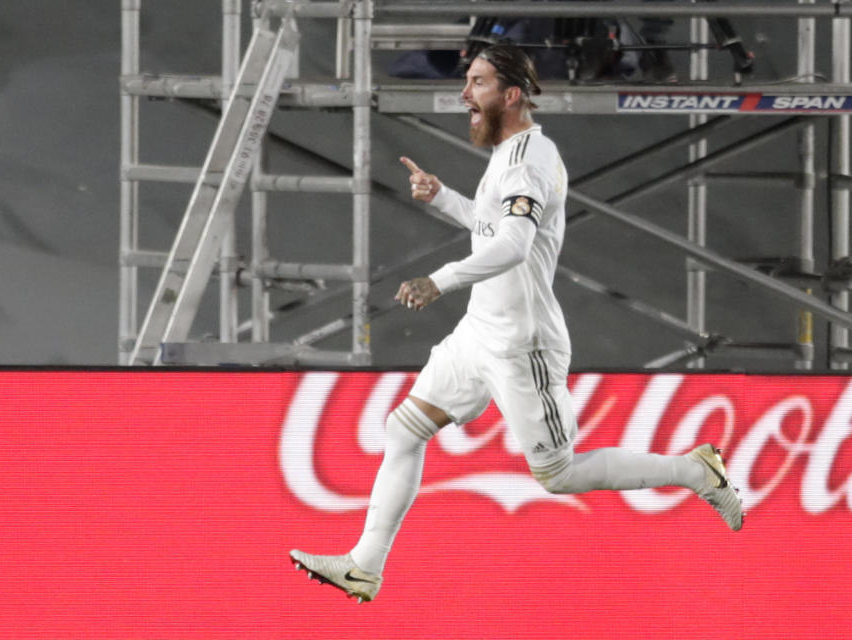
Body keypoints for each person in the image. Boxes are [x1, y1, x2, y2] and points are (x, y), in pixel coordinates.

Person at [289, 44, 742, 604]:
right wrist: (445, 197)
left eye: (476, 83)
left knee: (557, 475)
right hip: (480, 332)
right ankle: (364, 565)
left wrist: (441, 279)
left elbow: (514, 243)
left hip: (520, 344)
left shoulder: (530, 159)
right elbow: (493, 226)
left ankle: (697, 471)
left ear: (511, 94)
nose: (463, 94)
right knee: (404, 429)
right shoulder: (509, 153)